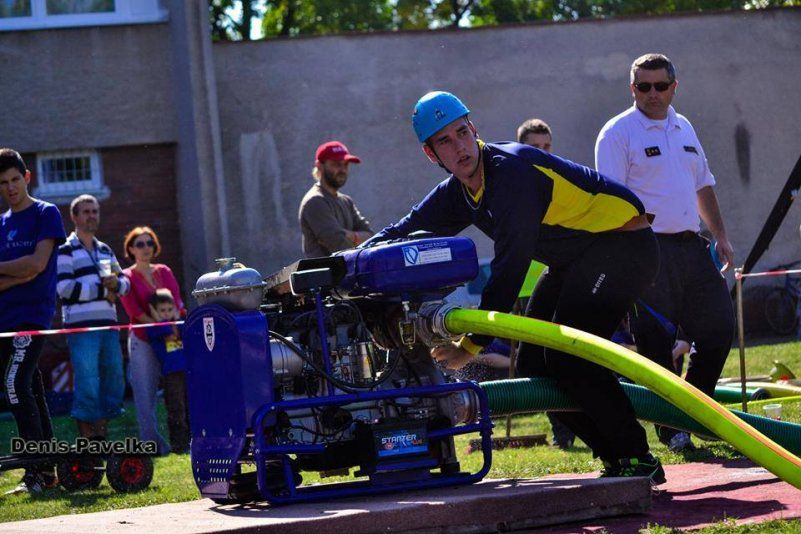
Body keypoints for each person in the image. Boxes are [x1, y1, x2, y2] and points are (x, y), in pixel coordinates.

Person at [367, 91, 665, 484]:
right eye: (445, 141)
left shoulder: (511, 174)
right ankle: (615, 457)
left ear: (474, 129)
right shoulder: (459, 192)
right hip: (578, 259)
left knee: (570, 359)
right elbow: (405, 229)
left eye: (462, 133)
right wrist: (348, 261)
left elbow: (507, 275)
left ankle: (637, 457)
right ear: (431, 154)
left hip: (624, 246)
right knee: (532, 367)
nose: (460, 147)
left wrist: (468, 348)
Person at [595, 53, 735, 452]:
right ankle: (672, 431)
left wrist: (720, 235)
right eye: (644, 87)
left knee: (719, 329)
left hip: (691, 247)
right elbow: (609, 204)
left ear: (675, 86)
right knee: (656, 345)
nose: (653, 95)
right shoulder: (617, 133)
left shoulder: (684, 125)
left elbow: (703, 184)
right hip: (645, 251)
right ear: (632, 89)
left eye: (660, 86)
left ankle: (694, 413)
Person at [0, 148, 66, 493]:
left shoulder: (46, 213)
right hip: (3, 319)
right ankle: (45, 472)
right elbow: (24, 269)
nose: (10, 188)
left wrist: (20, 272)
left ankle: (37, 472)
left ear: (26, 178)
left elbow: (37, 265)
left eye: (15, 179)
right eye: (3, 183)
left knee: (15, 385)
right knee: (30, 389)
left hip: (32, 316)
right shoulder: (1, 223)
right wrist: (18, 274)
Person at [514, 117, 576, 450]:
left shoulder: (560, 179)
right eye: (535, 147)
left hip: (561, 279)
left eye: (547, 146)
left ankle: (574, 421)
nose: (542, 152)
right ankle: (562, 431)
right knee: (536, 360)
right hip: (527, 287)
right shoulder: (515, 183)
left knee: (566, 353)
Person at [56, 194, 130, 440]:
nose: (91, 216)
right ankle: (89, 443)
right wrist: (103, 290)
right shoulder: (65, 250)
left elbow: (125, 283)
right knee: (88, 384)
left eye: (95, 211)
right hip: (81, 329)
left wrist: (116, 285)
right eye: (86, 211)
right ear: (74, 216)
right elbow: (64, 289)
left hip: (109, 327)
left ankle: (100, 439)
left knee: (114, 381)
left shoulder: (105, 250)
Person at [119, 226, 184, 455]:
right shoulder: (126, 277)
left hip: (172, 338)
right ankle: (152, 445)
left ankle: (181, 441)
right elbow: (134, 311)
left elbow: (177, 302)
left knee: (177, 389)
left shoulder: (164, 270)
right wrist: (162, 326)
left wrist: (171, 329)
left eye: (149, 243)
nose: (145, 248)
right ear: (131, 249)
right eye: (140, 244)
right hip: (143, 340)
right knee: (144, 395)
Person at [299, 141, 373, 257]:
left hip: (349, 272)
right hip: (327, 274)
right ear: (319, 166)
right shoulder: (315, 202)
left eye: (345, 165)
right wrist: (356, 237)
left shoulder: (346, 201)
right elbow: (340, 247)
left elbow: (371, 237)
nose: (342, 170)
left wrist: (348, 235)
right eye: (336, 164)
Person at [146, 289, 189, 453]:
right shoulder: (155, 328)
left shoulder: (180, 324)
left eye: (169, 309)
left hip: (188, 372)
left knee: (190, 406)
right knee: (176, 408)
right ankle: (179, 444)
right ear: (154, 311)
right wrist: (158, 320)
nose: (166, 313)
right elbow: (165, 332)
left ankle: (193, 440)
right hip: (171, 374)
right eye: (161, 311)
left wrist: (177, 319)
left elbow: (186, 333)